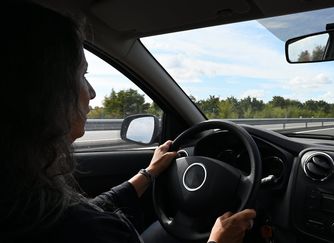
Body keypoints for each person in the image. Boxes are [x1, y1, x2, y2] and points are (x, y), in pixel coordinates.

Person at [1, 1, 256, 243]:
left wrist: (149, 173)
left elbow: (91, 209)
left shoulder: (23, 199)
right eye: (81, 75)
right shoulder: (87, 230)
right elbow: (87, 219)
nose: (92, 93)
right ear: (44, 92)